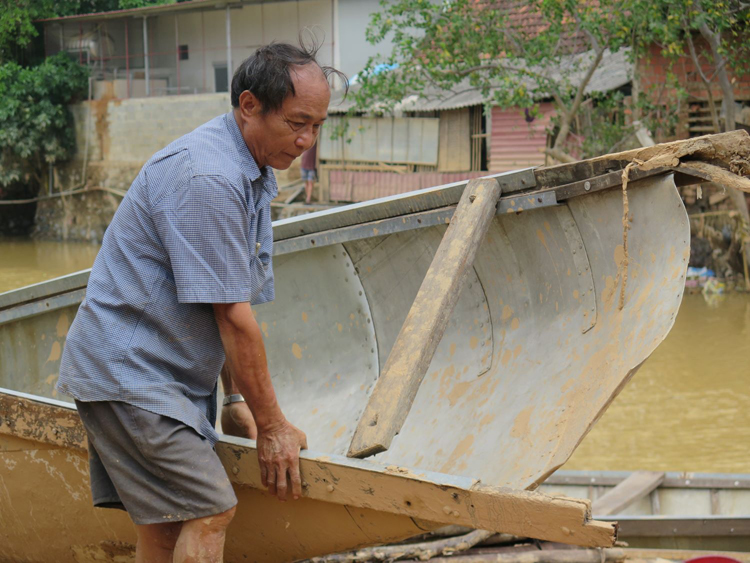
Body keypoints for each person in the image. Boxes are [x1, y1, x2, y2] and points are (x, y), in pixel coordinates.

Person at [56, 42, 345, 563]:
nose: (306, 141)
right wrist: (272, 425)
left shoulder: (249, 170)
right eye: (297, 123)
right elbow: (235, 320)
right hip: (132, 375)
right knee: (211, 510)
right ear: (250, 105)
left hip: (152, 375)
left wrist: (236, 404)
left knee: (165, 530)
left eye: (318, 126)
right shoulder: (209, 177)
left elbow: (225, 301)